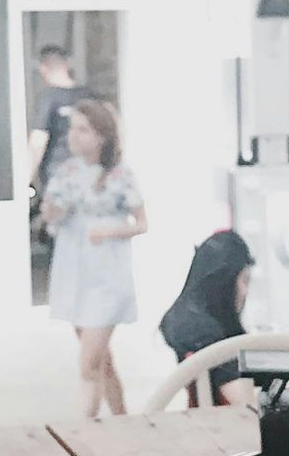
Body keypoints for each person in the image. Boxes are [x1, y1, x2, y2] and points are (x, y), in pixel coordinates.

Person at [42, 99, 146, 421]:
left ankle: (82, 429)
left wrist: (111, 230)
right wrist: (54, 205)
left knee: (88, 365)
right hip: (75, 273)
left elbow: (142, 223)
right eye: (72, 129)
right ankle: (123, 419)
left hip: (107, 276)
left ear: (101, 136)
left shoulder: (119, 175)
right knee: (101, 360)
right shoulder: (66, 173)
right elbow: (50, 217)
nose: (74, 136)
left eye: (83, 129)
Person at [160, 230, 255, 406]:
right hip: (231, 427)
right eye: (244, 281)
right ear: (224, 282)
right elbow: (248, 407)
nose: (245, 292)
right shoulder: (206, 336)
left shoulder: (186, 320)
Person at [26, 46, 90, 198]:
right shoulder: (88, 97)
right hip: (88, 172)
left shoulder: (48, 99)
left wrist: (26, 179)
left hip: (58, 173)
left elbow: (37, 142)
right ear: (67, 65)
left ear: (43, 69)